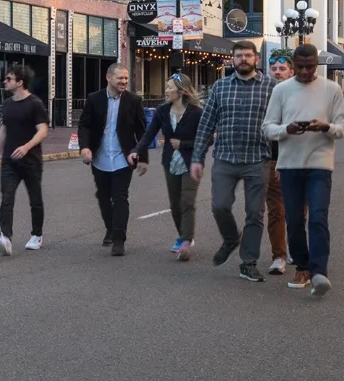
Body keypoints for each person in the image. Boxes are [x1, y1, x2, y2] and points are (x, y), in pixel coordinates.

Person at [261, 43, 344, 298]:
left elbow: (343, 127)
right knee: (295, 220)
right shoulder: (281, 90)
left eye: (308, 67)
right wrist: (286, 129)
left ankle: (319, 272)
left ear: (316, 65)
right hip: (289, 165)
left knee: (319, 217)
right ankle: (302, 266)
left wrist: (325, 127)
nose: (302, 71)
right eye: (298, 66)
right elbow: (267, 127)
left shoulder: (331, 89)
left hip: (320, 164)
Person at [191, 39, 275, 282]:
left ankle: (248, 263)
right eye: (239, 56)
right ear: (232, 59)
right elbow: (206, 124)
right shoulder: (221, 86)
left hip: (258, 159)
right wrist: (197, 158)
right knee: (220, 206)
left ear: (256, 59)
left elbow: (281, 123)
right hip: (225, 159)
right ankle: (230, 238)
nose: (243, 60)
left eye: (248, 55)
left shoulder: (271, 87)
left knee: (255, 214)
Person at [77, 63, 145, 256]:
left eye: (125, 78)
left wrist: (143, 157)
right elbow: (85, 125)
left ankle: (119, 239)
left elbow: (142, 132)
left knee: (120, 197)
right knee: (103, 196)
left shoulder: (134, 101)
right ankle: (111, 228)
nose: (124, 82)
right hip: (100, 157)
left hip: (124, 157)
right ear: (108, 78)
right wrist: (85, 147)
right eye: (120, 78)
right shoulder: (94, 99)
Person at [135, 72, 202, 260]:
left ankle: (186, 240)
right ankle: (184, 233)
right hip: (170, 162)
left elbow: (206, 139)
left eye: (169, 87)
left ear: (181, 91)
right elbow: (149, 134)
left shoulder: (196, 113)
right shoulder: (162, 111)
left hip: (191, 162)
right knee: (175, 204)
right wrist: (136, 150)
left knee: (187, 201)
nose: (165, 91)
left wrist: (183, 144)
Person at [0, 65, 49, 255]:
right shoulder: (7, 104)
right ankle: (5, 237)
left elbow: (43, 130)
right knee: (6, 198)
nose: (5, 81)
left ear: (20, 82)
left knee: (35, 199)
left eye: (9, 79)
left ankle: (36, 235)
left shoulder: (35, 104)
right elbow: (4, 129)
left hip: (31, 160)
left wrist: (26, 147)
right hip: (9, 161)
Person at [263, 52, 293, 276]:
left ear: (291, 72)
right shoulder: (264, 95)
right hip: (271, 158)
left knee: (298, 210)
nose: (277, 72)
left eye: (282, 69)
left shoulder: (300, 94)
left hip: (297, 159)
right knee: (276, 210)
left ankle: (294, 246)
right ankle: (279, 256)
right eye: (273, 69)